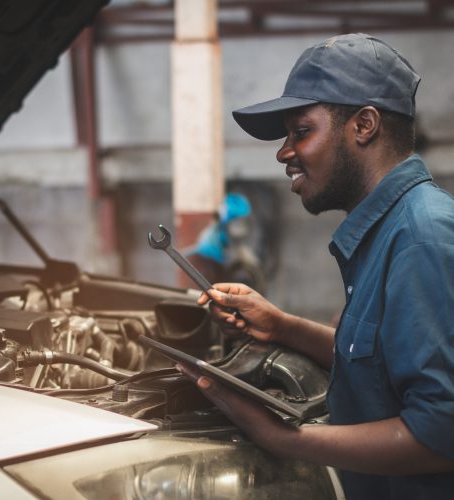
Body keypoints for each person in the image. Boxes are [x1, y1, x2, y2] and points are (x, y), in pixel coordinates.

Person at [177, 33, 454, 499]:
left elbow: (441, 434)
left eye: (301, 131)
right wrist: (283, 327)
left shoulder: (422, 238)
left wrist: (284, 439)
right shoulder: (386, 233)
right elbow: (379, 368)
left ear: (364, 125)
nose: (284, 152)